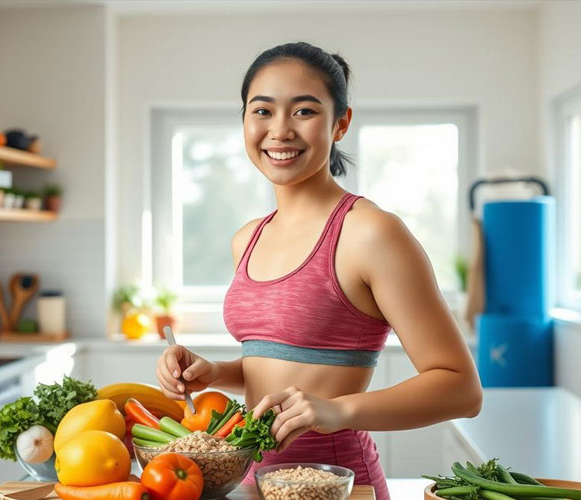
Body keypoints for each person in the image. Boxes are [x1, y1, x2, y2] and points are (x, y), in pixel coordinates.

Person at [156, 41, 482, 500]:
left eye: (304, 111)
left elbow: (462, 389)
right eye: (262, 111)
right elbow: (285, 365)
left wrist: (338, 410)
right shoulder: (247, 238)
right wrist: (216, 372)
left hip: (338, 484)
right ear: (245, 121)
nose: (280, 130)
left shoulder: (371, 233)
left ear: (341, 123)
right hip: (251, 481)